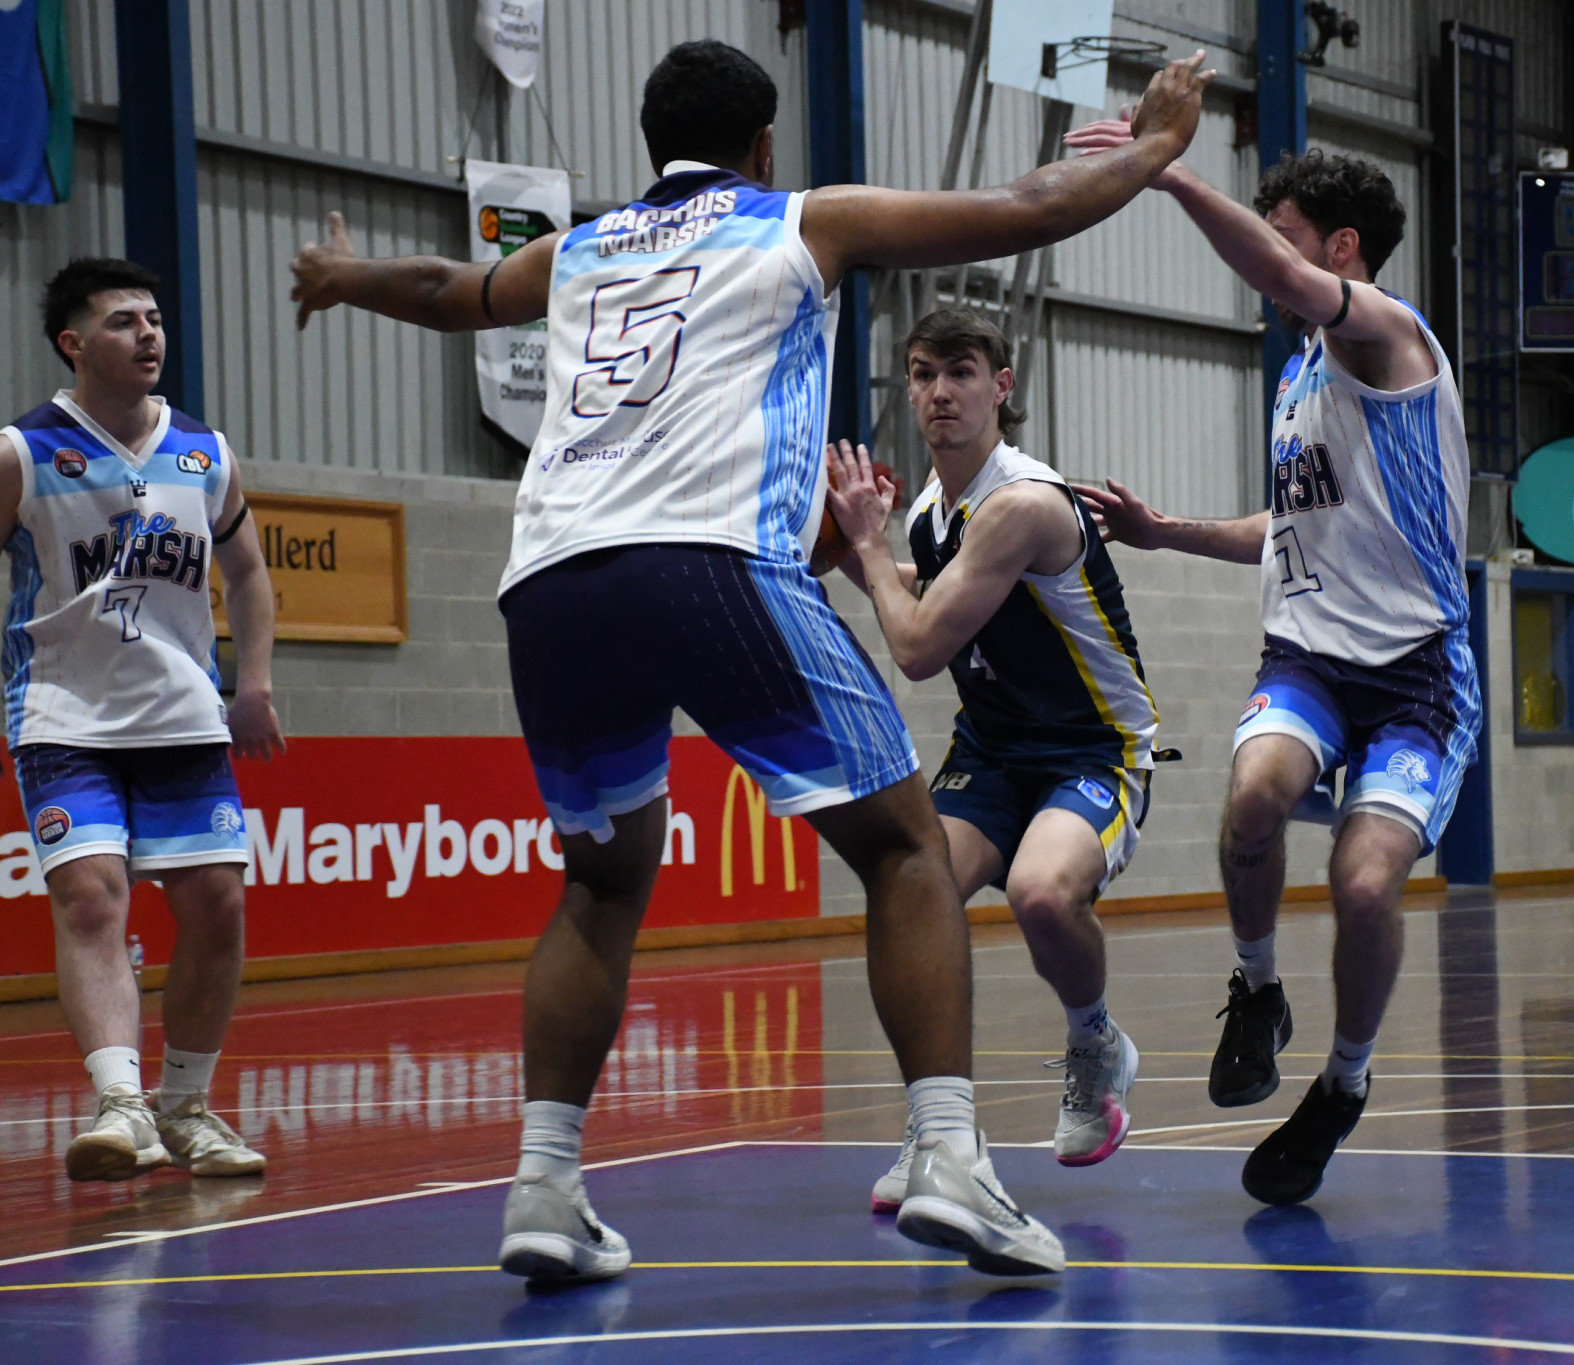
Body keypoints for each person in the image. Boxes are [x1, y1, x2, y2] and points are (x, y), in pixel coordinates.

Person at [289, 40, 1213, 1282]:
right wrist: (1155, 144)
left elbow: (448, 286)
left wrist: (344, 278)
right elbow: (1029, 205)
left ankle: (545, 1189)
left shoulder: (582, 248)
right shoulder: (800, 219)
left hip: (550, 578)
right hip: (707, 561)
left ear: (646, 142)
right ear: (763, 144)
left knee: (601, 885)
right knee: (901, 852)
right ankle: (948, 1156)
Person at [1062, 126, 1480, 1205]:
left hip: (1415, 673)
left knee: (1363, 878)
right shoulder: (1301, 376)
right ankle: (1256, 991)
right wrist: (1168, 534)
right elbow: (1291, 529)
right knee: (1252, 796)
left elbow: (1276, 270)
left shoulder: (1385, 336)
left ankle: (1340, 1085)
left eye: (1284, 237)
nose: (1266, 264)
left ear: (1340, 250)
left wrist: (1164, 168)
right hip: (1308, 656)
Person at [827, 309, 1157, 1205]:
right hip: (993, 750)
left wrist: (861, 542)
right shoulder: (936, 510)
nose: (940, 392)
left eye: (962, 372)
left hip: (1093, 747)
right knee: (912, 885)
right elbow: (914, 593)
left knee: (1041, 894)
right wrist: (841, 542)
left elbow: (919, 648)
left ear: (1001, 388)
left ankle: (1095, 1041)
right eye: (923, 373)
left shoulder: (1022, 504)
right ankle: (940, 1125)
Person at [1, 258, 284, 1184]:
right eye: (125, 322)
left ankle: (189, 1106)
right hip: (62, 714)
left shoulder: (205, 450)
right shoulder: (24, 452)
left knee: (218, 906)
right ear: (74, 344)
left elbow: (245, 572)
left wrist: (256, 684)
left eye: (155, 318)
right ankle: (121, 1105)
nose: (150, 334)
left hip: (183, 715)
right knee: (91, 898)